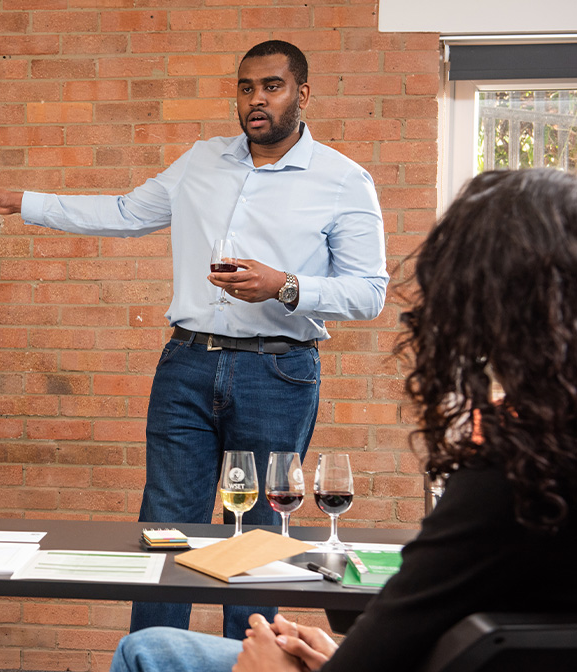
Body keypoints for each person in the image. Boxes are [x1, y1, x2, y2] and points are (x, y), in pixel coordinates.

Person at [0, 39, 387, 639]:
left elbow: (368, 293)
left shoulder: (343, 180)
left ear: (302, 94)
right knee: (165, 530)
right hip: (187, 363)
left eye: (272, 87)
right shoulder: (203, 160)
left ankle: (248, 658)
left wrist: (285, 287)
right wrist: (19, 201)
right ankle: (151, 655)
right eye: (246, 87)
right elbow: (127, 211)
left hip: (277, 374)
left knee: (257, 539)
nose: (257, 100)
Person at [108, 167, 577, 672]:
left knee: (148, 649)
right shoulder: (545, 445)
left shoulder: (512, 468)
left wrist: (284, 665)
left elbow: (398, 626)